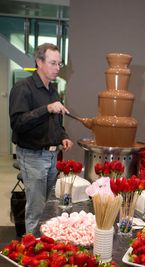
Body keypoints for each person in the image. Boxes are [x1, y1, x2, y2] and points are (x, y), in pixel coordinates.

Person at [9, 43, 73, 234]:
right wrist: (46, 109)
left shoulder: (52, 89)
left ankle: (44, 250)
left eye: (59, 64)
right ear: (39, 62)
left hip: (52, 157)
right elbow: (18, 123)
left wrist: (63, 136)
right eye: (53, 63)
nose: (58, 68)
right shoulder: (23, 88)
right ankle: (32, 256)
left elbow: (55, 123)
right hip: (32, 156)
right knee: (36, 212)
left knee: (48, 208)